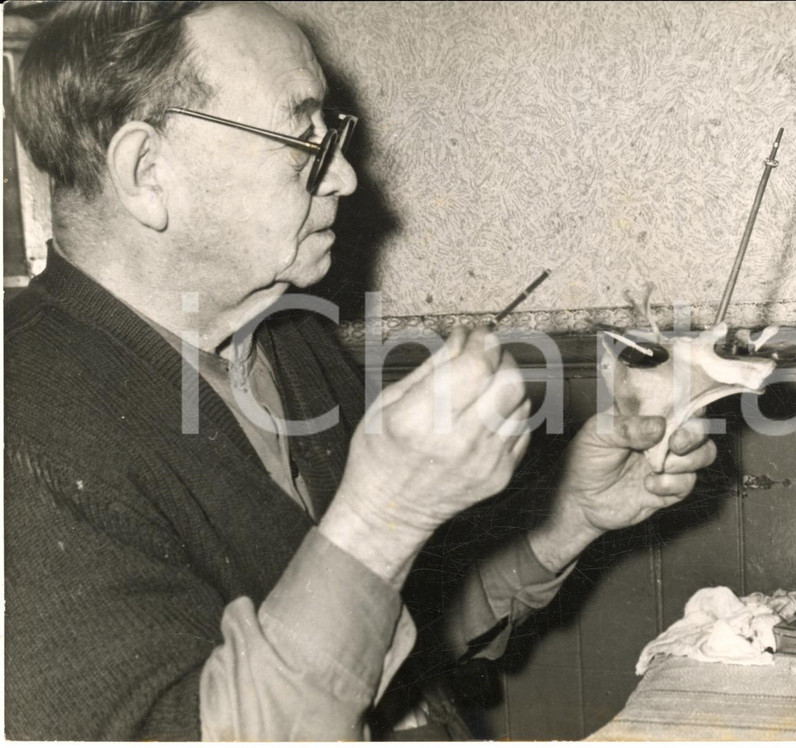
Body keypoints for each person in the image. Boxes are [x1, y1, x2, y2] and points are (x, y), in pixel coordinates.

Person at [4, 1, 716, 740]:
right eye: (303, 137)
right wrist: (383, 515)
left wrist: (565, 517)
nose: (343, 175)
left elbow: (391, 657)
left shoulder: (286, 347)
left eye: (333, 135)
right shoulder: (23, 431)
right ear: (147, 173)